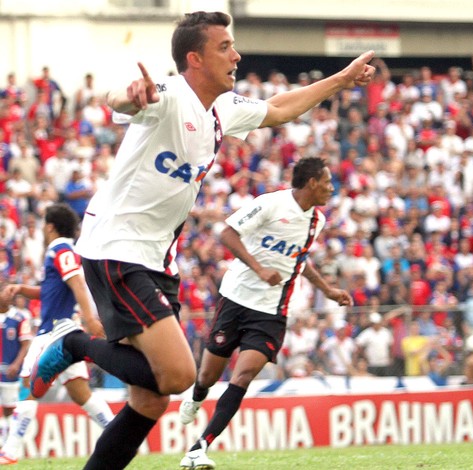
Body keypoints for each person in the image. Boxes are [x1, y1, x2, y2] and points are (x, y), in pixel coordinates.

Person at [27, 11, 374, 470]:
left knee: (149, 401)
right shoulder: (168, 95)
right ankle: (73, 344)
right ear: (194, 58)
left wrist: (342, 79)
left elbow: (281, 107)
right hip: (117, 247)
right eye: (225, 47)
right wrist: (131, 94)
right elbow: (120, 100)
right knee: (178, 376)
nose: (237, 55)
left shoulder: (223, 109)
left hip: (155, 257)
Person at [178, 157, 353, 468]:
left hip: (271, 311)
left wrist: (327, 290)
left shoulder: (317, 221)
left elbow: (299, 260)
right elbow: (228, 234)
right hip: (236, 298)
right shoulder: (271, 204)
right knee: (207, 375)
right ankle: (197, 395)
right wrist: (258, 268)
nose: (331, 188)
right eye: (327, 182)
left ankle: (199, 447)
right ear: (312, 183)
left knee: (243, 375)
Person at [0, 203, 113, 465]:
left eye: (43, 223)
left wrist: (90, 319)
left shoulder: (60, 249)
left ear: (50, 226)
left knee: (29, 386)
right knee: (80, 393)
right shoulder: (61, 251)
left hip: (54, 331)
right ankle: (118, 433)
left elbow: (77, 284)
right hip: (65, 329)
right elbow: (50, 290)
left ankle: (10, 451)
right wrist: (20, 289)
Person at [0, 290, 32, 447]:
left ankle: (7, 444)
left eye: (10, 294)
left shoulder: (19, 318)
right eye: (4, 293)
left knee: (9, 408)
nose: (8, 296)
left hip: (9, 372)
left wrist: (16, 364)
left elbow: (26, 344)